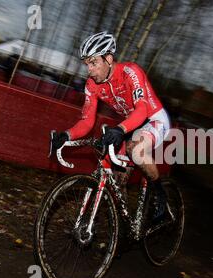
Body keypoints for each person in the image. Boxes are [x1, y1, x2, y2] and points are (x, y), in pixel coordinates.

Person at [50, 31, 170, 221]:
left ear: (108, 58)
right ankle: (125, 225)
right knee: (117, 178)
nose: (89, 69)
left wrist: (121, 130)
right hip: (130, 125)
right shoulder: (92, 84)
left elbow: (141, 110)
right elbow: (87, 121)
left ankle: (160, 194)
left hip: (153, 118)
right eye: (87, 64)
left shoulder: (131, 72)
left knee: (135, 149)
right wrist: (67, 135)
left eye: (93, 62)